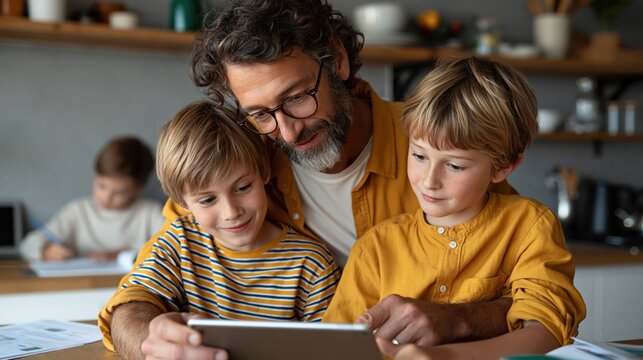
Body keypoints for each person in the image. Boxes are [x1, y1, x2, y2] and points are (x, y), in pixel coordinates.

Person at [105, 0, 515, 358]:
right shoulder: (241, 160)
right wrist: (148, 339)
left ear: (336, 60)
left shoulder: (439, 147)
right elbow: (137, 297)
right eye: (261, 113)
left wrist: (458, 318)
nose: (286, 133)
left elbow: (533, 297)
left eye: (297, 98)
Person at [322, 56, 586, 359]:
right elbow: (337, 346)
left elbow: (546, 335)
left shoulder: (529, 226)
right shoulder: (376, 248)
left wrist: (444, 356)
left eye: (455, 165)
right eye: (419, 156)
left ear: (504, 167)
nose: (429, 181)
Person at [98, 101, 340, 359]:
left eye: (243, 187)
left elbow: (330, 350)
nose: (231, 212)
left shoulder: (311, 264)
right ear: (182, 203)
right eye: (207, 200)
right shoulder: (178, 243)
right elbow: (134, 303)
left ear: (264, 173)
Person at [19, 135, 164, 262]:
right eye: (101, 186)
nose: (107, 197)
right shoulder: (78, 211)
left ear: (139, 188)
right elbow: (28, 244)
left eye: (119, 193)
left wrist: (120, 254)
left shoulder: (151, 213)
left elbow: (169, 251)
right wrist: (46, 251)